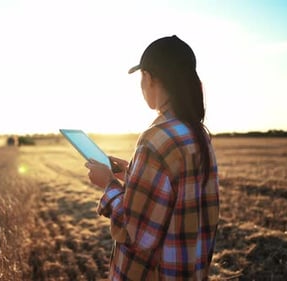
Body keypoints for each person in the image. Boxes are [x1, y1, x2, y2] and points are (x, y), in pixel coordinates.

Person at [85, 35, 220, 280]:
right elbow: (176, 197)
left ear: (148, 77)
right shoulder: (197, 133)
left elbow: (137, 233)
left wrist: (109, 184)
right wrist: (131, 175)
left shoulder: (156, 139)